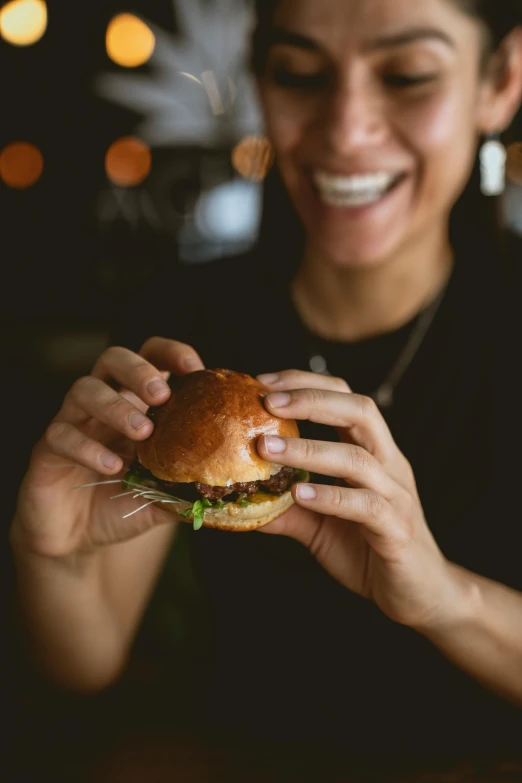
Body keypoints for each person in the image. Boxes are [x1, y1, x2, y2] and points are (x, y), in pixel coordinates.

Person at [9, 0, 522, 771]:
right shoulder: (180, 327)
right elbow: (87, 664)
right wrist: (49, 553)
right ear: (259, 77)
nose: (346, 132)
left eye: (408, 75)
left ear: (502, 81)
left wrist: (445, 597)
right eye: (299, 74)